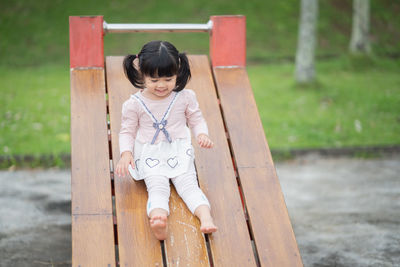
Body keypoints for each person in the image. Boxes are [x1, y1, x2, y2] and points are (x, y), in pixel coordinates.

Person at [115, 40, 217, 240]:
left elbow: (196, 119)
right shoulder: (134, 104)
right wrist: (126, 153)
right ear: (142, 75)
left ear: (178, 73)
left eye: (168, 79)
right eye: (154, 80)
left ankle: (206, 218)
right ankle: (159, 220)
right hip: (150, 154)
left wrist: (202, 134)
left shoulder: (185, 97)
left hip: (178, 152)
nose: (161, 85)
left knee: (189, 186)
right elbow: (126, 131)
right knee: (157, 187)